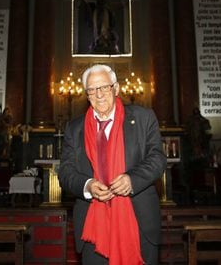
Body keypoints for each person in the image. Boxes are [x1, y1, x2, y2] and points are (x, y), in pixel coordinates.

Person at [58, 64, 167, 264]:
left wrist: (132, 180)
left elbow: (157, 158)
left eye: (104, 87)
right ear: (87, 94)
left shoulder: (143, 118)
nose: (98, 94)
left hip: (138, 220)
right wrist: (88, 185)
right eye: (92, 89)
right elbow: (65, 172)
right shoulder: (75, 128)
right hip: (93, 226)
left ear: (116, 88)